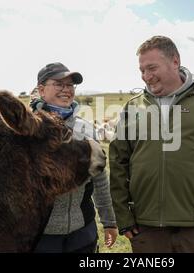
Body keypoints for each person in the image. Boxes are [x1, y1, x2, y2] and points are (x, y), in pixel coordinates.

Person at [109, 36, 194, 253]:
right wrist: (124, 217)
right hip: (146, 229)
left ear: (175, 61)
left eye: (152, 68)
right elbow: (117, 164)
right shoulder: (133, 108)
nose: (146, 76)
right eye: (142, 70)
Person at [30, 62, 117, 253]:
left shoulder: (85, 129)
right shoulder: (27, 130)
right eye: (59, 84)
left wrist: (109, 220)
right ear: (42, 90)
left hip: (82, 232)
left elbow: (100, 180)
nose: (66, 90)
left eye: (70, 85)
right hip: (40, 236)